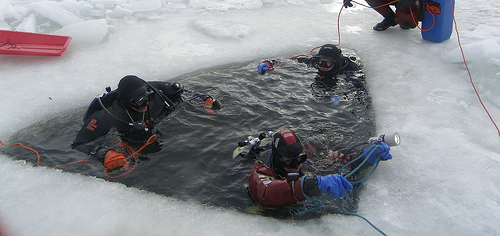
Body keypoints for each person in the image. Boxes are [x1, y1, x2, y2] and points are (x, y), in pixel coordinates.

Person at [71, 75, 220, 171]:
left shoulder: (156, 93)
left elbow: (183, 92)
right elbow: (79, 144)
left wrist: (206, 102)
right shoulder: (106, 116)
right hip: (130, 143)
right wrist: (103, 154)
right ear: (125, 102)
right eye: (137, 101)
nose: (144, 104)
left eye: (146, 98)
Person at [248, 129, 392, 208]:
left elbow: (343, 159)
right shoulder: (261, 169)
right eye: (288, 162)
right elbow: (265, 194)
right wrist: (310, 185)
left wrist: (365, 157)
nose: (295, 166)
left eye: (299, 159)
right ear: (277, 160)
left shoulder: (309, 151)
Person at [257, 44, 361, 87]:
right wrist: (269, 62)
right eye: (321, 61)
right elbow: (286, 61)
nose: (323, 65)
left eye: (327, 62)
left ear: (335, 62)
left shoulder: (348, 69)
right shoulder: (313, 62)